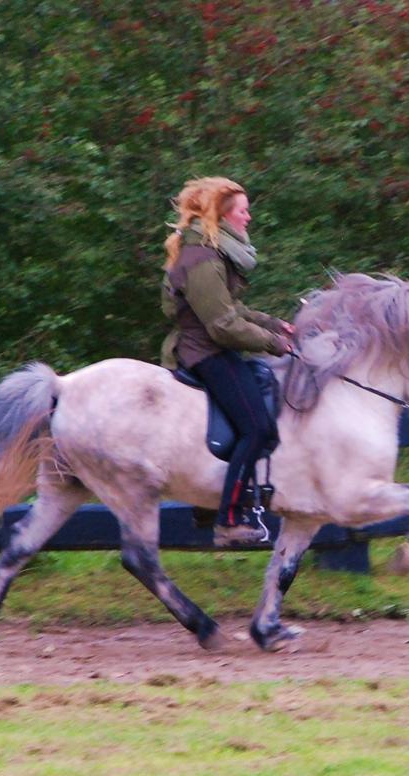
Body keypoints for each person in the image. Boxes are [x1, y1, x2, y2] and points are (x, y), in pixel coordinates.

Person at [160, 177, 296, 547]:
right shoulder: (202, 258)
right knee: (259, 430)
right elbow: (221, 325)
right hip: (205, 352)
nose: (249, 217)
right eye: (242, 210)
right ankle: (229, 519)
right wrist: (272, 343)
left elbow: (231, 308)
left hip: (213, 348)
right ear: (221, 216)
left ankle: (209, 497)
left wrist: (271, 323)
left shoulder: (212, 251)